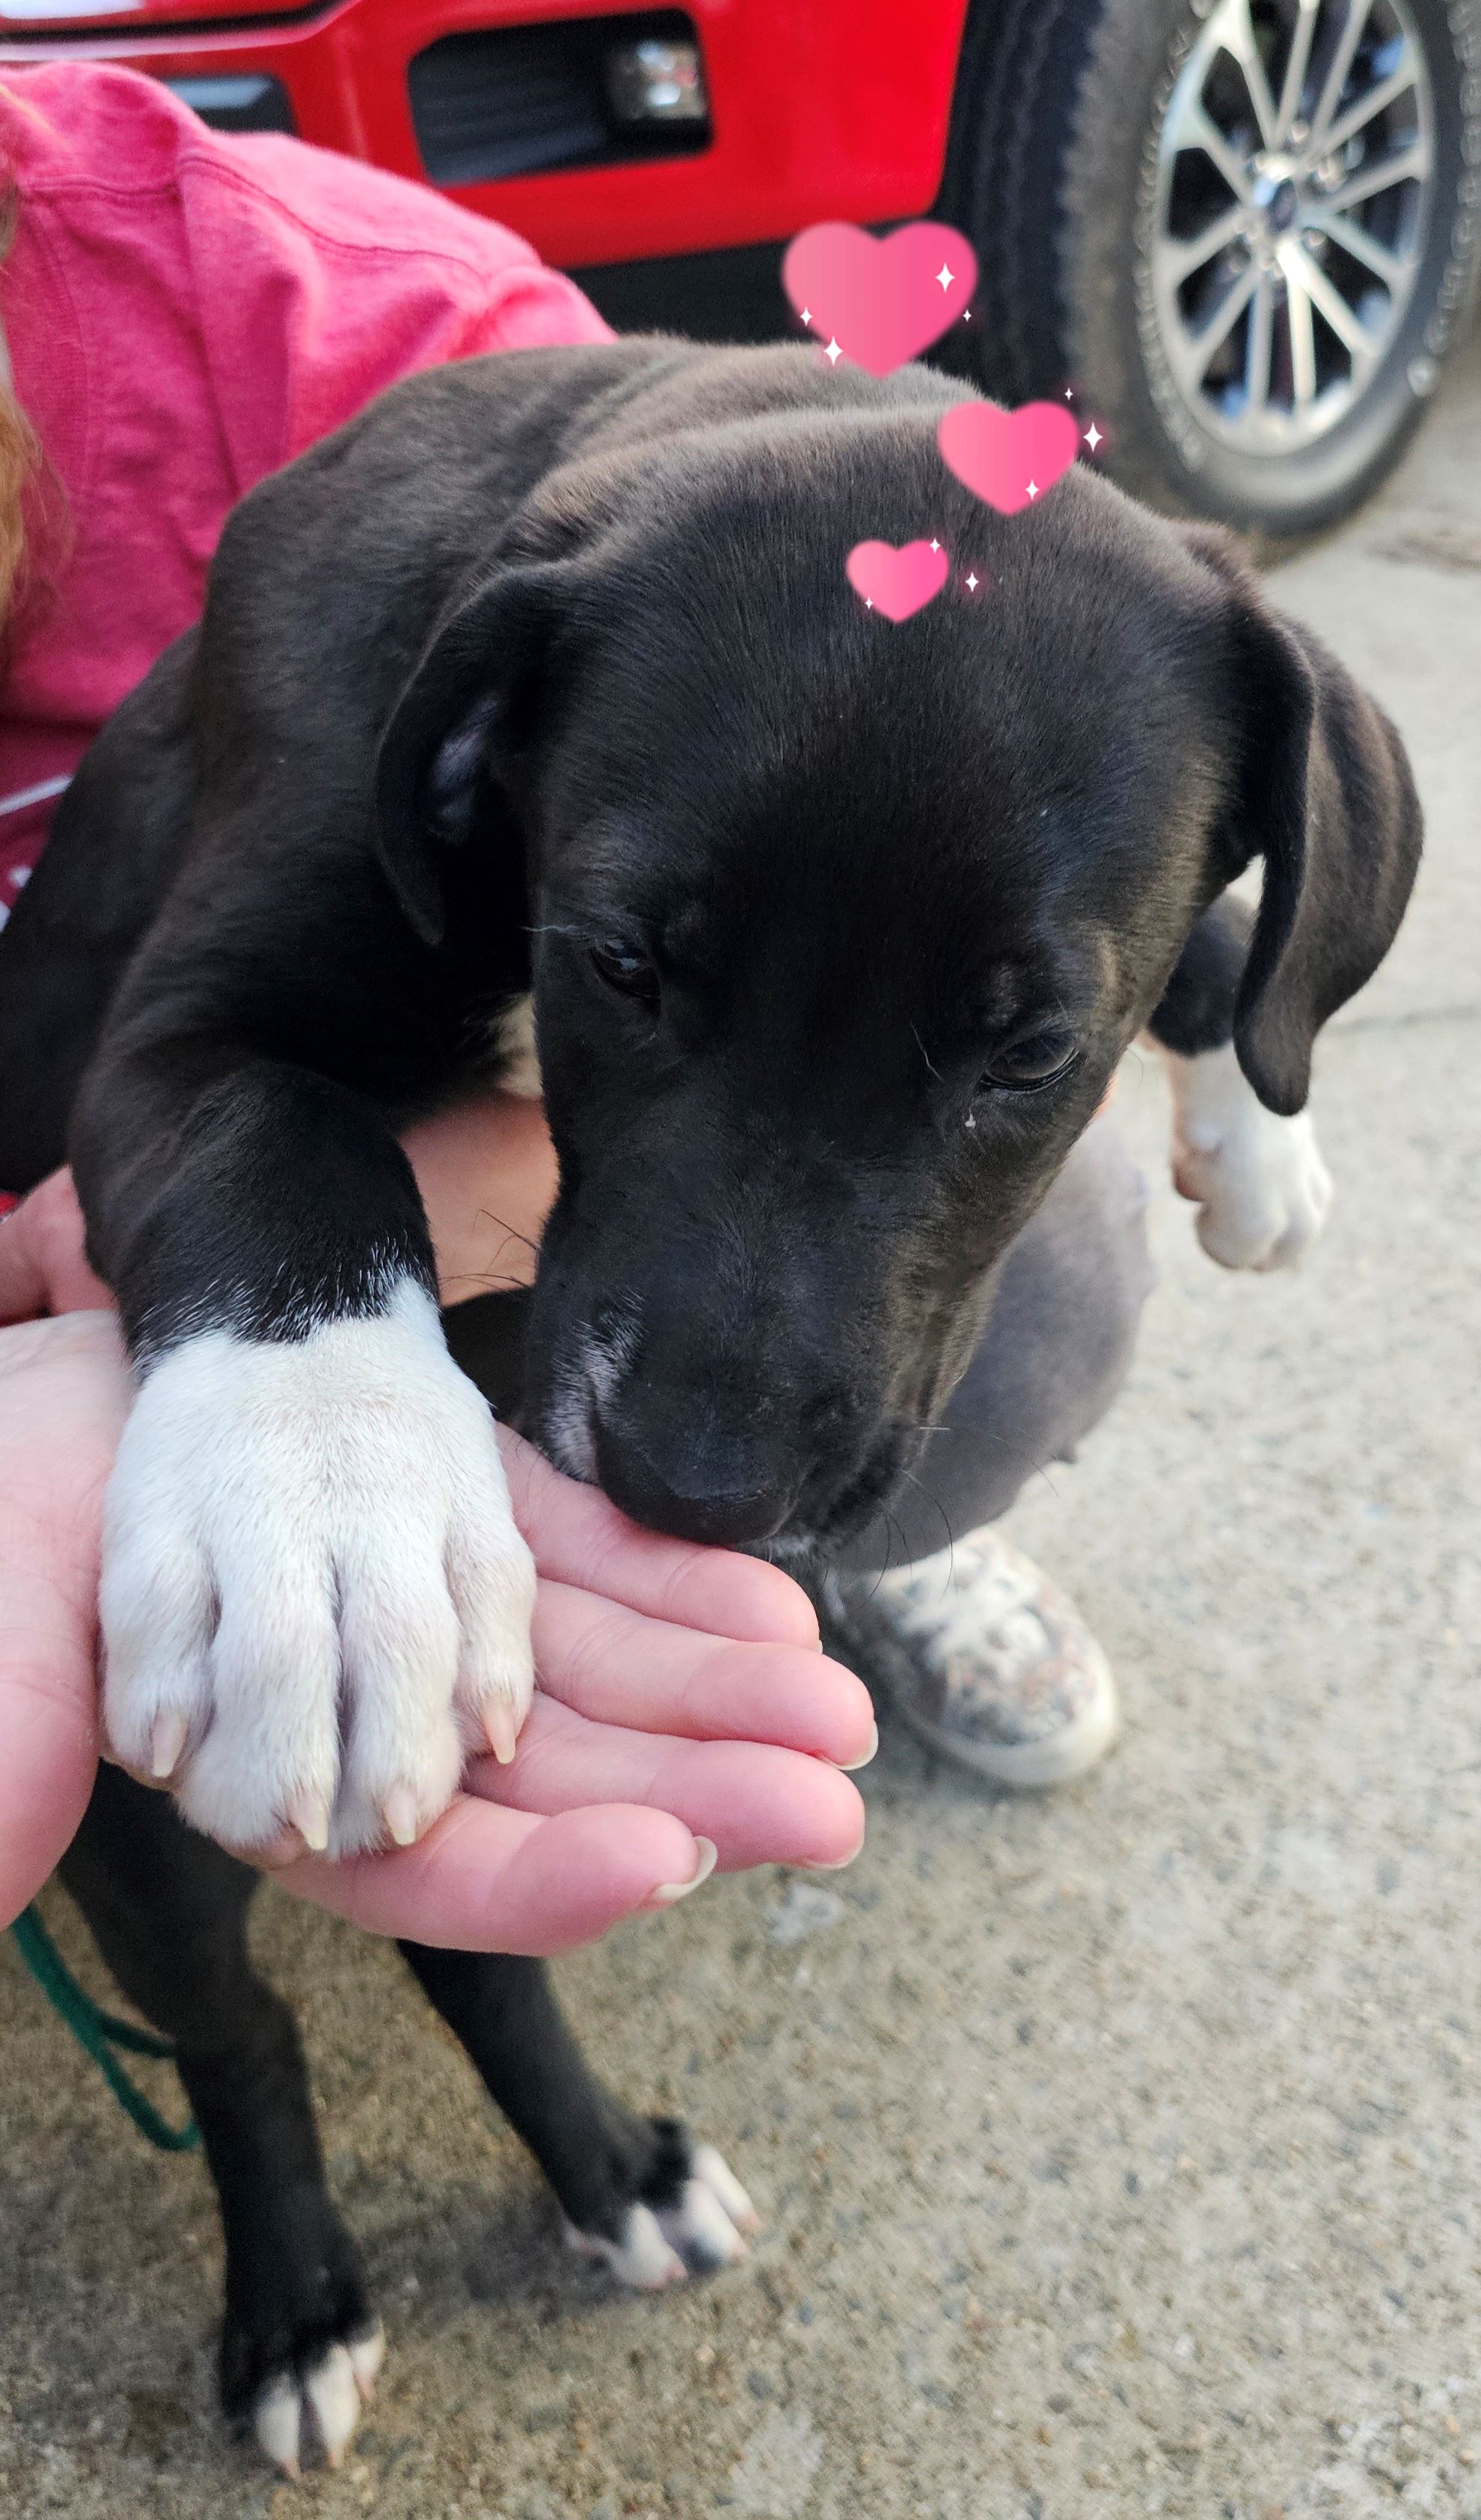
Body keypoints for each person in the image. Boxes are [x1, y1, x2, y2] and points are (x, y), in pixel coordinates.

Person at [0, 63, 1156, 1951]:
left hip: (395, 1142)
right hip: (152, 1182)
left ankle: (848, 1549)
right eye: (637, 951)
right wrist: (289, 1351)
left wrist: (1199, 1015)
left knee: (1056, 1242)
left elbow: (889, 741)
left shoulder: (332, 312)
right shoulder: (382, 634)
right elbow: (207, 1051)